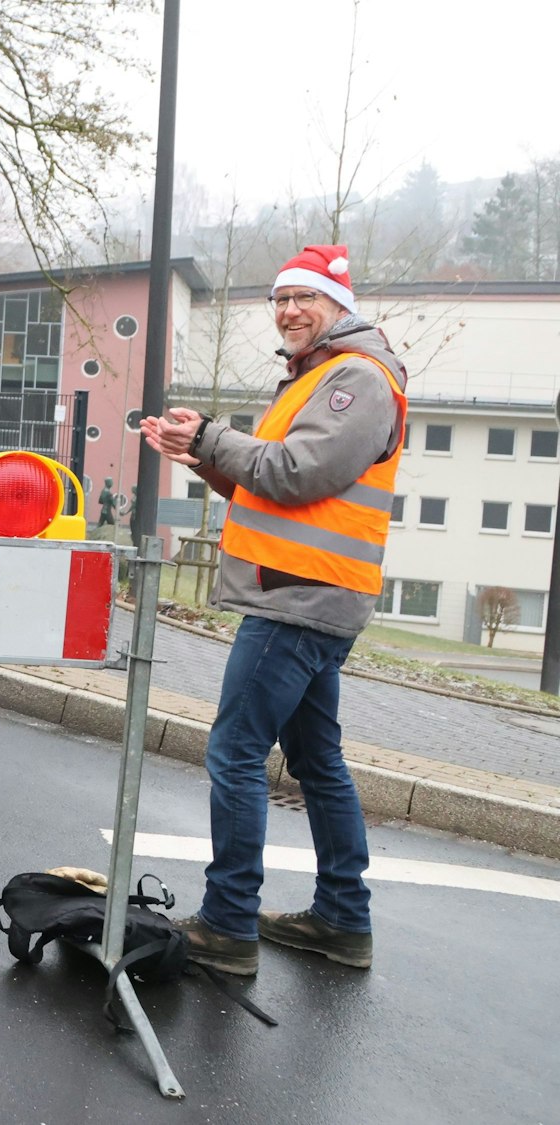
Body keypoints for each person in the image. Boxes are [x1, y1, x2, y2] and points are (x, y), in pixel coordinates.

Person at [142, 244, 404, 975]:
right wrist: (200, 455)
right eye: (280, 298)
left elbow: (295, 473)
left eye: (305, 297)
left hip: (299, 598)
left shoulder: (357, 378)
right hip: (304, 591)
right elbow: (270, 486)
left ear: (338, 307)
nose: (289, 309)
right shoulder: (317, 377)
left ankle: (227, 924)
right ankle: (342, 921)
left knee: (235, 751)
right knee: (318, 758)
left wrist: (213, 437)